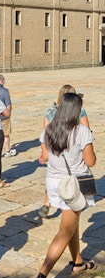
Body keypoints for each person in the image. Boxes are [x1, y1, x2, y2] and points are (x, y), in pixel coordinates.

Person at [34, 93, 96, 278]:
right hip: (73, 185)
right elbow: (91, 162)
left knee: (71, 224)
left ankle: (77, 262)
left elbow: (44, 156)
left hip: (54, 182)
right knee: (65, 230)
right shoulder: (82, 131)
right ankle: (42, 275)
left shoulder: (48, 130)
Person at [39, 84, 90, 218]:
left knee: (55, 173)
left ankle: (47, 201)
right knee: (66, 229)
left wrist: (44, 150)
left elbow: (46, 131)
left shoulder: (50, 111)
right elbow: (86, 128)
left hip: (54, 155)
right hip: (75, 171)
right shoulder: (80, 113)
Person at [0, 75, 16, 157]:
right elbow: (8, 106)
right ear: (2, 81)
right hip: (3, 116)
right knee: (6, 134)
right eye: (4, 81)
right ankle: (7, 151)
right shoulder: (5, 91)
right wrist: (8, 114)